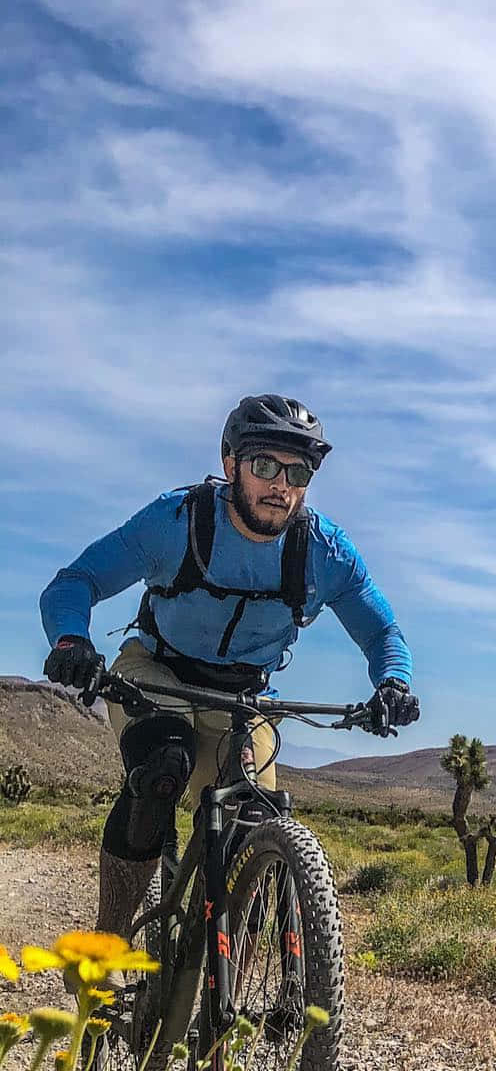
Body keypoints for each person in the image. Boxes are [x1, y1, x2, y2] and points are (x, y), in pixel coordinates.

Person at [39, 394, 419, 937]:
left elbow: (382, 630)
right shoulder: (177, 522)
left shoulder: (324, 551)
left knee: (254, 813)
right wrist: (72, 641)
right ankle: (109, 949)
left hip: (243, 696)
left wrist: (393, 681)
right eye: (265, 465)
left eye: (299, 472)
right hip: (157, 673)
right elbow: (76, 582)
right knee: (162, 769)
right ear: (230, 464)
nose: (281, 485)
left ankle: (223, 973)